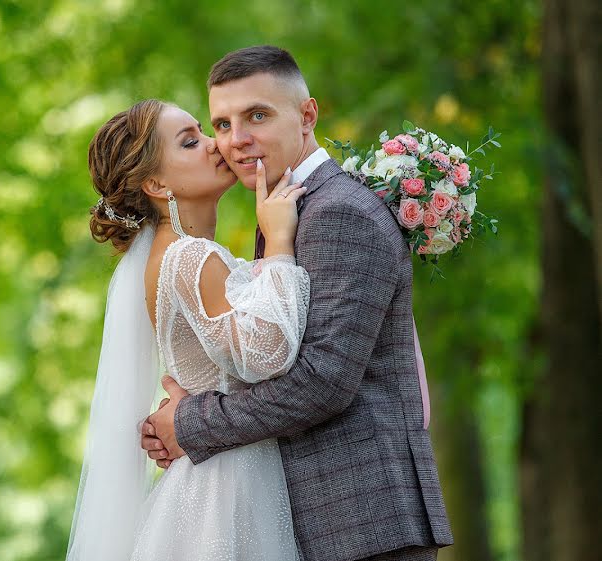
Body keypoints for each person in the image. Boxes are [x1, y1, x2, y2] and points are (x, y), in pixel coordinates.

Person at [141, 46, 454, 561]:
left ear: (307, 116)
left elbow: (322, 381)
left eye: (256, 116)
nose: (235, 141)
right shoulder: (287, 211)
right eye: (221, 123)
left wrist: (191, 423)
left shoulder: (338, 213)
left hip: (362, 521)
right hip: (321, 522)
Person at [67, 98, 310, 560]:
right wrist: (279, 244)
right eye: (190, 142)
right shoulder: (189, 257)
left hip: (211, 473)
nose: (216, 144)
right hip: (229, 483)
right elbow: (267, 355)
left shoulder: (177, 254)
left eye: (202, 130)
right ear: (157, 183)